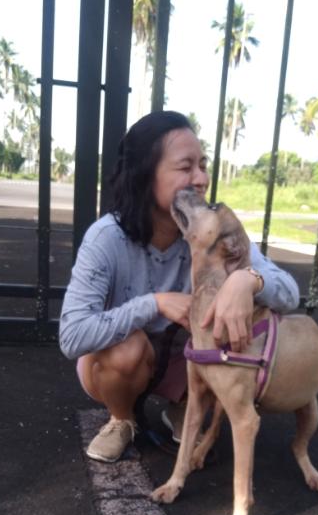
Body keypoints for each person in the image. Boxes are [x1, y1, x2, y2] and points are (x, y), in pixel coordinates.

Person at [59, 110, 300, 463]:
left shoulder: (213, 233)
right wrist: (154, 303)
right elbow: (72, 337)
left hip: (188, 360)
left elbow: (290, 291)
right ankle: (122, 418)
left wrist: (246, 280)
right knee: (127, 349)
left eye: (202, 165)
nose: (201, 178)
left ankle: (187, 408)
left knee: (237, 326)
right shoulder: (107, 238)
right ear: (145, 174)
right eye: (185, 167)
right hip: (120, 364)